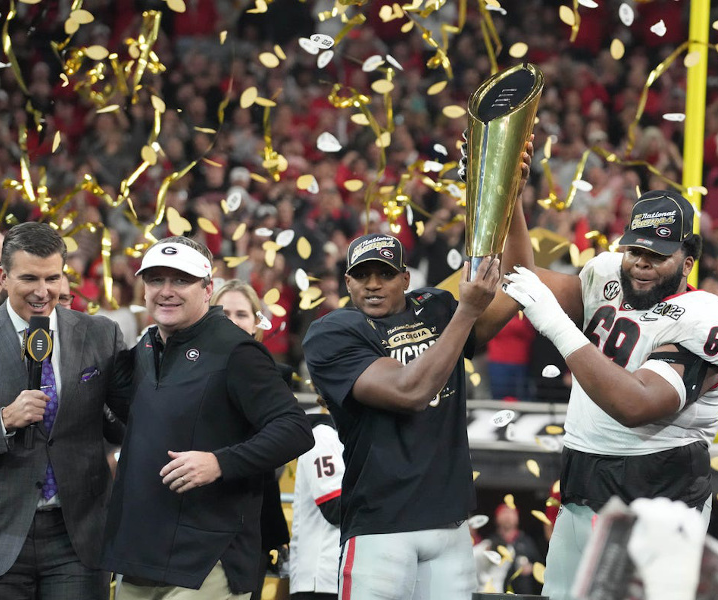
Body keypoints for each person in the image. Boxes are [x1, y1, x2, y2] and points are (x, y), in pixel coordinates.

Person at [302, 148, 534, 600]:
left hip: (449, 523)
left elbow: (520, 282)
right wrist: (466, 311)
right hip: (380, 525)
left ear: (404, 278)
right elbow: (410, 390)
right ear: (347, 283)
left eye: (384, 274)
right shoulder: (332, 333)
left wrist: (514, 200)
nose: (372, 285)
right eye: (362, 276)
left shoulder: (438, 306)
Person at [501, 189, 718, 600]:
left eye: (658, 255)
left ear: (687, 262)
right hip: (582, 481)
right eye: (635, 250)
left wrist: (558, 326)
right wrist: (511, 198)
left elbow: (637, 406)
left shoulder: (709, 316)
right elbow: (522, 275)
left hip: (661, 494)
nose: (642, 264)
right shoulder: (605, 274)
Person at [102, 236, 314, 600]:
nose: (166, 291)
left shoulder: (237, 349)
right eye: (156, 280)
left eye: (180, 280)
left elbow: (295, 429)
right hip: (141, 555)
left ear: (207, 288)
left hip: (208, 558)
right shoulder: (148, 345)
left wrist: (220, 462)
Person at [0, 222, 130, 599]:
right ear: (3, 276)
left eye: (52, 278)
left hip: (77, 537)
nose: (43, 292)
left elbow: (125, 423)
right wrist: (3, 420)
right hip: (1, 536)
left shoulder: (102, 333)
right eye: (29, 279)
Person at [212, 279, 292, 600]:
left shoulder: (277, 376)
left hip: (253, 519)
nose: (232, 321)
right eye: (223, 312)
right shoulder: (180, 368)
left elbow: (277, 456)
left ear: (257, 324)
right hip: (188, 518)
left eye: (241, 314)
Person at [289, 398, 345, 600]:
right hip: (321, 577)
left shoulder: (341, 436)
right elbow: (334, 508)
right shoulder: (323, 437)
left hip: (335, 575)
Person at [484, 504, 542, 594]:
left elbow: (540, 565)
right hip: (497, 593)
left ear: (517, 518)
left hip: (522, 594)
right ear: (496, 518)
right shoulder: (490, 542)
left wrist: (531, 568)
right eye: (504, 512)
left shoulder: (526, 541)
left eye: (511, 513)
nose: (507, 516)